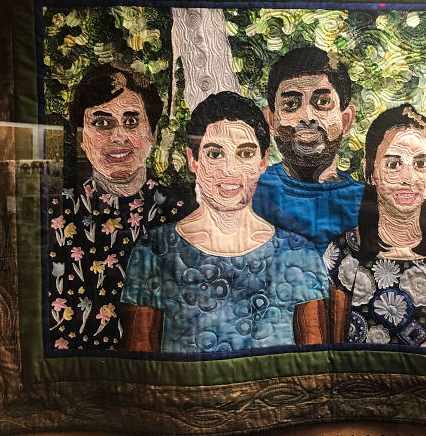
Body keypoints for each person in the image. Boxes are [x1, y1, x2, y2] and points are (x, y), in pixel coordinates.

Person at [120, 91, 329, 353]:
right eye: (215, 153)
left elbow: (316, 362)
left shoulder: (299, 254)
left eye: (245, 153)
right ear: (193, 160)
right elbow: (139, 359)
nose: (230, 169)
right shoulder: (156, 250)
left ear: (263, 161)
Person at [302, 105, 426, 350]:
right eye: (394, 164)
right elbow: (334, 350)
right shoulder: (343, 254)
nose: (408, 178)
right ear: (371, 173)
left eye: (421, 163)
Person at [47, 62, 193, 351]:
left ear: (153, 132)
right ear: (81, 136)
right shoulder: (56, 215)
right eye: (102, 123)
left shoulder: (181, 213)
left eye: (131, 121)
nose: (118, 136)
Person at [252, 47, 364, 254]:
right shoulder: (248, 195)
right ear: (270, 120)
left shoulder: (367, 205)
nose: (307, 117)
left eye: (322, 102)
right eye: (290, 104)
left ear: (346, 120)